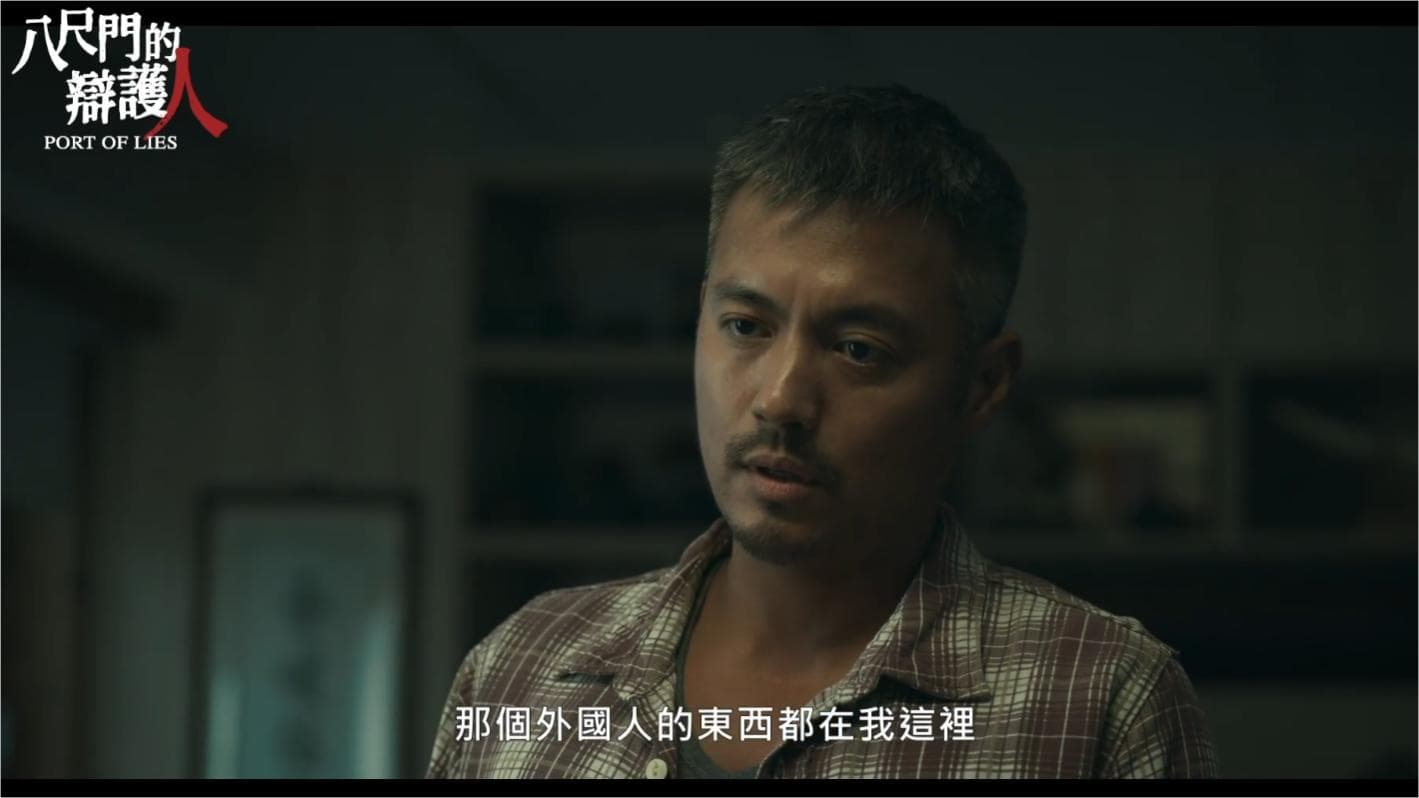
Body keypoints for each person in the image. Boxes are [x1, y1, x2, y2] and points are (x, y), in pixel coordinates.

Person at [427, 84, 1219, 779]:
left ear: (981, 385)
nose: (779, 400)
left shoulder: (1098, 699)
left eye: (857, 350)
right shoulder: (523, 666)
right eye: (745, 326)